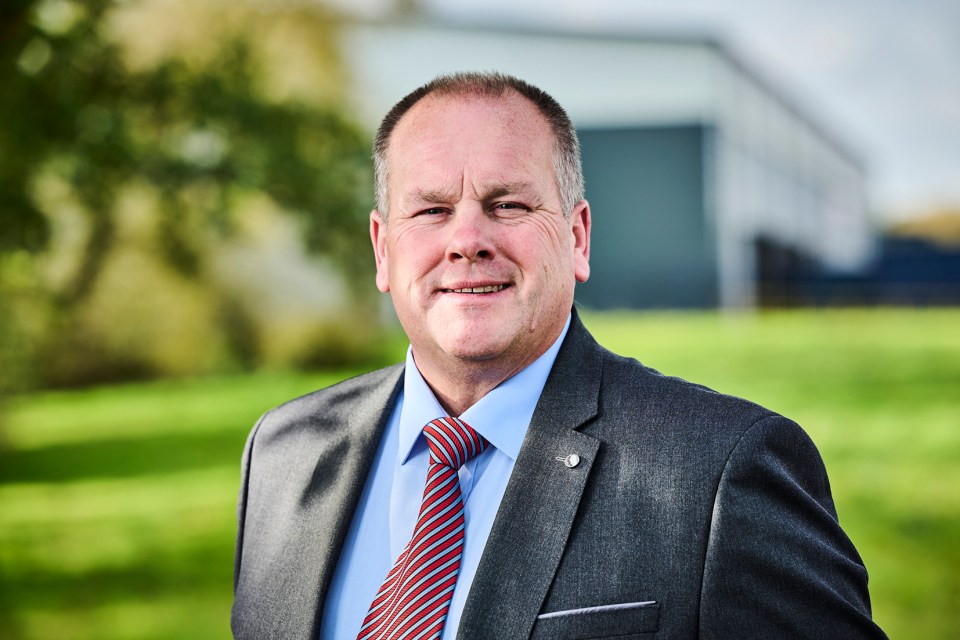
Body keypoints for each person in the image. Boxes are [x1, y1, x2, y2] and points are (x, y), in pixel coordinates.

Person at [231, 72, 886, 640]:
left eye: (507, 204)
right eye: (430, 209)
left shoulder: (719, 472)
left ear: (577, 237)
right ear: (382, 249)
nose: (466, 239)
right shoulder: (283, 455)